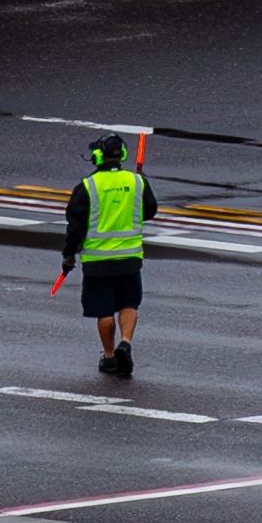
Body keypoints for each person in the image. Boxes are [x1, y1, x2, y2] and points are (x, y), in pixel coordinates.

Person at [62, 129, 148, 379]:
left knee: (105, 311)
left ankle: (109, 356)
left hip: (98, 262)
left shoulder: (88, 186)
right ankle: (126, 343)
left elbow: (75, 225)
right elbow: (150, 209)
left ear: (98, 156)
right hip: (130, 259)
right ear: (122, 155)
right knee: (129, 304)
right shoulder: (136, 181)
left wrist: (68, 255)